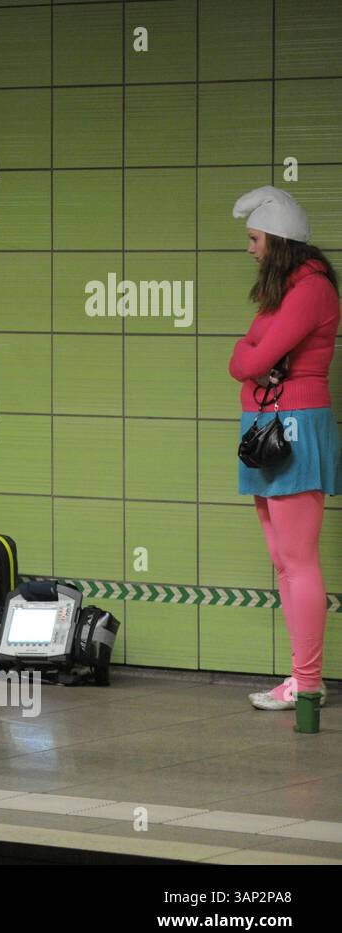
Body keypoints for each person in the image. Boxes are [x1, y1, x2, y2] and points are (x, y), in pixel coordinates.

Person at [229, 186, 340, 713]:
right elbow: (242, 356)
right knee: (283, 561)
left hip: (293, 427)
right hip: (268, 427)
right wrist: (251, 352)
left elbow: (252, 359)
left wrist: (253, 352)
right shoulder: (285, 290)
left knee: (298, 560)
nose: (250, 249)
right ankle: (300, 679)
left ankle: (308, 681)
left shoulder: (311, 290)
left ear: (277, 240)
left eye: (254, 239)